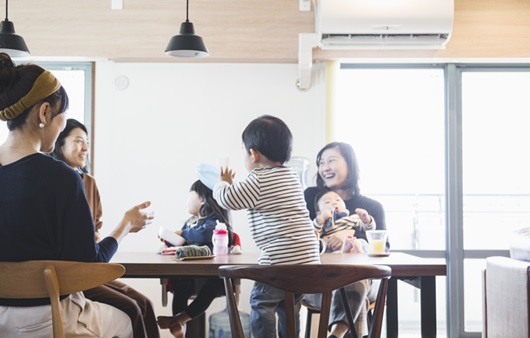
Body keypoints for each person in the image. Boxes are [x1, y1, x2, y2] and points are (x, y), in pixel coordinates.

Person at [0, 52, 154, 338]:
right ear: (44, 113)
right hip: (47, 319)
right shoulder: (63, 178)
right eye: (62, 119)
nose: (61, 128)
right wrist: (125, 227)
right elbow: (88, 267)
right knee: (130, 317)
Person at [50, 118, 160, 338]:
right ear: (59, 145)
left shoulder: (88, 182)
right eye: (78, 141)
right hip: (72, 274)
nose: (85, 148)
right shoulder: (55, 182)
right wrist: (125, 226)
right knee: (133, 308)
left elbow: (95, 228)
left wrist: (102, 237)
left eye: (87, 142)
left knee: (145, 303)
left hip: (90, 268)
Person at [212, 114, 321, 338]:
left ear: (253, 154)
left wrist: (222, 182)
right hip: (307, 263)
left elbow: (227, 199)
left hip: (279, 262)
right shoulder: (291, 176)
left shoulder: (259, 179)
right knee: (289, 305)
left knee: (261, 302)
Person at [304, 141, 388, 338]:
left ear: (350, 164)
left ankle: (337, 332)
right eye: (321, 163)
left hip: (361, 279)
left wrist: (348, 238)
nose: (324, 168)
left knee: (355, 278)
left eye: (331, 161)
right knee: (356, 292)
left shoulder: (370, 208)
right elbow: (299, 239)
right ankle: (338, 333)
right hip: (318, 283)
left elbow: (382, 247)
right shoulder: (310, 198)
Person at [157, 179, 235, 338]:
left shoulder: (215, 221)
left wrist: (183, 234)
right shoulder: (190, 223)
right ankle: (180, 327)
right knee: (181, 288)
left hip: (215, 278)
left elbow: (203, 234)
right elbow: (184, 242)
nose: (187, 201)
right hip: (192, 277)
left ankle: (180, 319)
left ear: (202, 199)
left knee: (211, 288)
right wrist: (169, 240)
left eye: (189, 196)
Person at [312, 188, 375, 253]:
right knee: (331, 252)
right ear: (318, 213)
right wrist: (321, 218)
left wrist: (366, 219)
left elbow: (368, 230)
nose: (334, 203)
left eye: (338, 200)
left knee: (362, 242)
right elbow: (314, 234)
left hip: (352, 244)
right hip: (334, 248)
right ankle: (346, 251)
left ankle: (359, 251)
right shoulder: (323, 223)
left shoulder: (352, 218)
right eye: (327, 202)